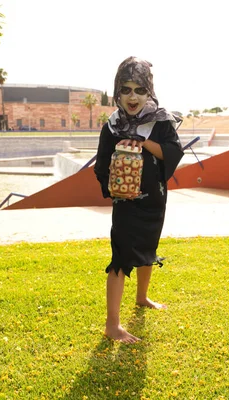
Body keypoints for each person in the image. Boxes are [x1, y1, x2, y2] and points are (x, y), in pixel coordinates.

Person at [94, 56, 184, 343]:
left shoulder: (160, 121)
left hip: (153, 198)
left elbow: (172, 152)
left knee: (148, 246)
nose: (132, 97)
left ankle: (142, 297)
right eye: (126, 90)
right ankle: (112, 325)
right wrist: (116, 178)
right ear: (117, 93)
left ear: (149, 92)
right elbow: (102, 162)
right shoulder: (113, 124)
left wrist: (143, 143)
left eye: (139, 90)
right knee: (120, 256)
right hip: (125, 201)